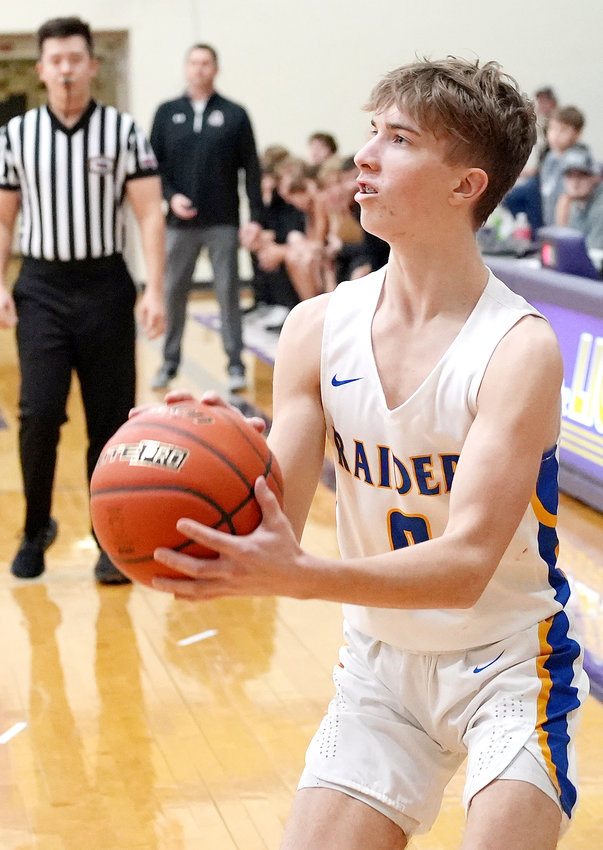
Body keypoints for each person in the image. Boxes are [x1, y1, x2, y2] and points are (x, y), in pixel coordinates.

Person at [151, 57, 588, 849]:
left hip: (508, 666)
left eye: (398, 137)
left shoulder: (517, 349)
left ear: (466, 185)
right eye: (369, 130)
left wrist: (305, 577)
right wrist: (208, 453)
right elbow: (272, 503)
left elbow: (462, 569)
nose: (365, 154)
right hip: (380, 669)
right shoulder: (316, 327)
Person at [0, 16, 165, 584]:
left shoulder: (123, 132)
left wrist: (156, 290)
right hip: (41, 286)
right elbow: (4, 220)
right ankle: (35, 526)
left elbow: (149, 213)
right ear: (42, 68)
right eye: (56, 60)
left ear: (93, 65)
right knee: (39, 414)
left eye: (76, 58)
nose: (66, 68)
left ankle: (108, 537)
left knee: (109, 422)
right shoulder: (16, 136)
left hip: (106, 285)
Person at [149, 43, 263, 393]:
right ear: (186, 68)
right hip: (179, 224)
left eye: (206, 63)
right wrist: (171, 197)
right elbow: (153, 168)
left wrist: (255, 217)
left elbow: (252, 169)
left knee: (228, 292)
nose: (199, 69)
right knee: (172, 292)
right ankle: (169, 362)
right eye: (194, 63)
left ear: (216, 69)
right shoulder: (167, 113)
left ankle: (234, 364)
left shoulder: (234, 114)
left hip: (223, 221)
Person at [555, 147, 603, 253]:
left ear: (596, 177)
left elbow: (594, 254)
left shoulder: (600, 206)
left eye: (582, 175)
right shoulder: (577, 201)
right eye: (570, 175)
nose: (575, 183)